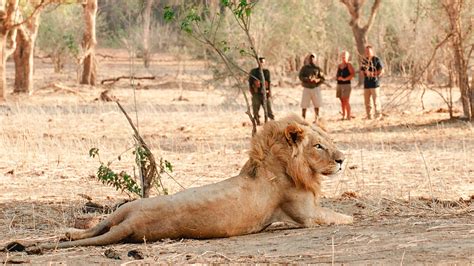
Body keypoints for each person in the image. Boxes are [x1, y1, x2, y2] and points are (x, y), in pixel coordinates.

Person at [298, 53, 325, 122]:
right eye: (310, 58)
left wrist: (317, 80)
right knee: (304, 104)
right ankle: (303, 118)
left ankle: (316, 118)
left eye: (313, 58)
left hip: (315, 88)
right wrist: (307, 79)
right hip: (306, 88)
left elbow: (322, 78)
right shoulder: (304, 68)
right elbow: (300, 77)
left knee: (317, 104)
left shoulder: (318, 69)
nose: (312, 59)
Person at [360, 45, 384, 119]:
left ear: (372, 51)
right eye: (366, 51)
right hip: (366, 83)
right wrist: (365, 73)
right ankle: (369, 116)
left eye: (369, 51)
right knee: (367, 101)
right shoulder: (364, 60)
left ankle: (378, 115)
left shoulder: (376, 59)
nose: (367, 52)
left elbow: (382, 70)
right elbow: (361, 71)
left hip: (374, 83)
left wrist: (373, 74)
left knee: (376, 101)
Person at [248, 57, 274, 125]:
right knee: (255, 108)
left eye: (263, 62)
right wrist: (253, 91)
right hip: (256, 93)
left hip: (265, 93)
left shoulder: (266, 72)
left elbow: (268, 82)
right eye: (260, 62)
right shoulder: (253, 71)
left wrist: (269, 93)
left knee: (268, 109)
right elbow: (250, 83)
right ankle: (257, 121)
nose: (261, 63)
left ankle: (272, 122)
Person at [336, 50, 355, 120]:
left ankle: (348, 115)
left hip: (346, 85)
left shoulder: (349, 65)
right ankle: (344, 115)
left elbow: (353, 74)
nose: (343, 57)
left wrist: (345, 79)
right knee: (342, 101)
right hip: (339, 84)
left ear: (347, 57)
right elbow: (337, 74)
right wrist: (337, 78)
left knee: (346, 100)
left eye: (345, 56)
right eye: (342, 56)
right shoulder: (339, 65)